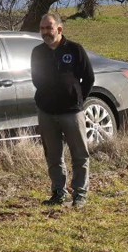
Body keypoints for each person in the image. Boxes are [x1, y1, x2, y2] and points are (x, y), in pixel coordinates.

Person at [32, 13, 95, 209]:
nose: (45, 32)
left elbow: (89, 78)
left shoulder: (75, 50)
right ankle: (59, 192)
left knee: (79, 155)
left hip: (71, 112)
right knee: (53, 155)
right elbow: (35, 79)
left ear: (59, 29)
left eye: (48, 28)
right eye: (42, 28)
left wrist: (77, 98)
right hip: (47, 112)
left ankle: (80, 194)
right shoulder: (37, 52)